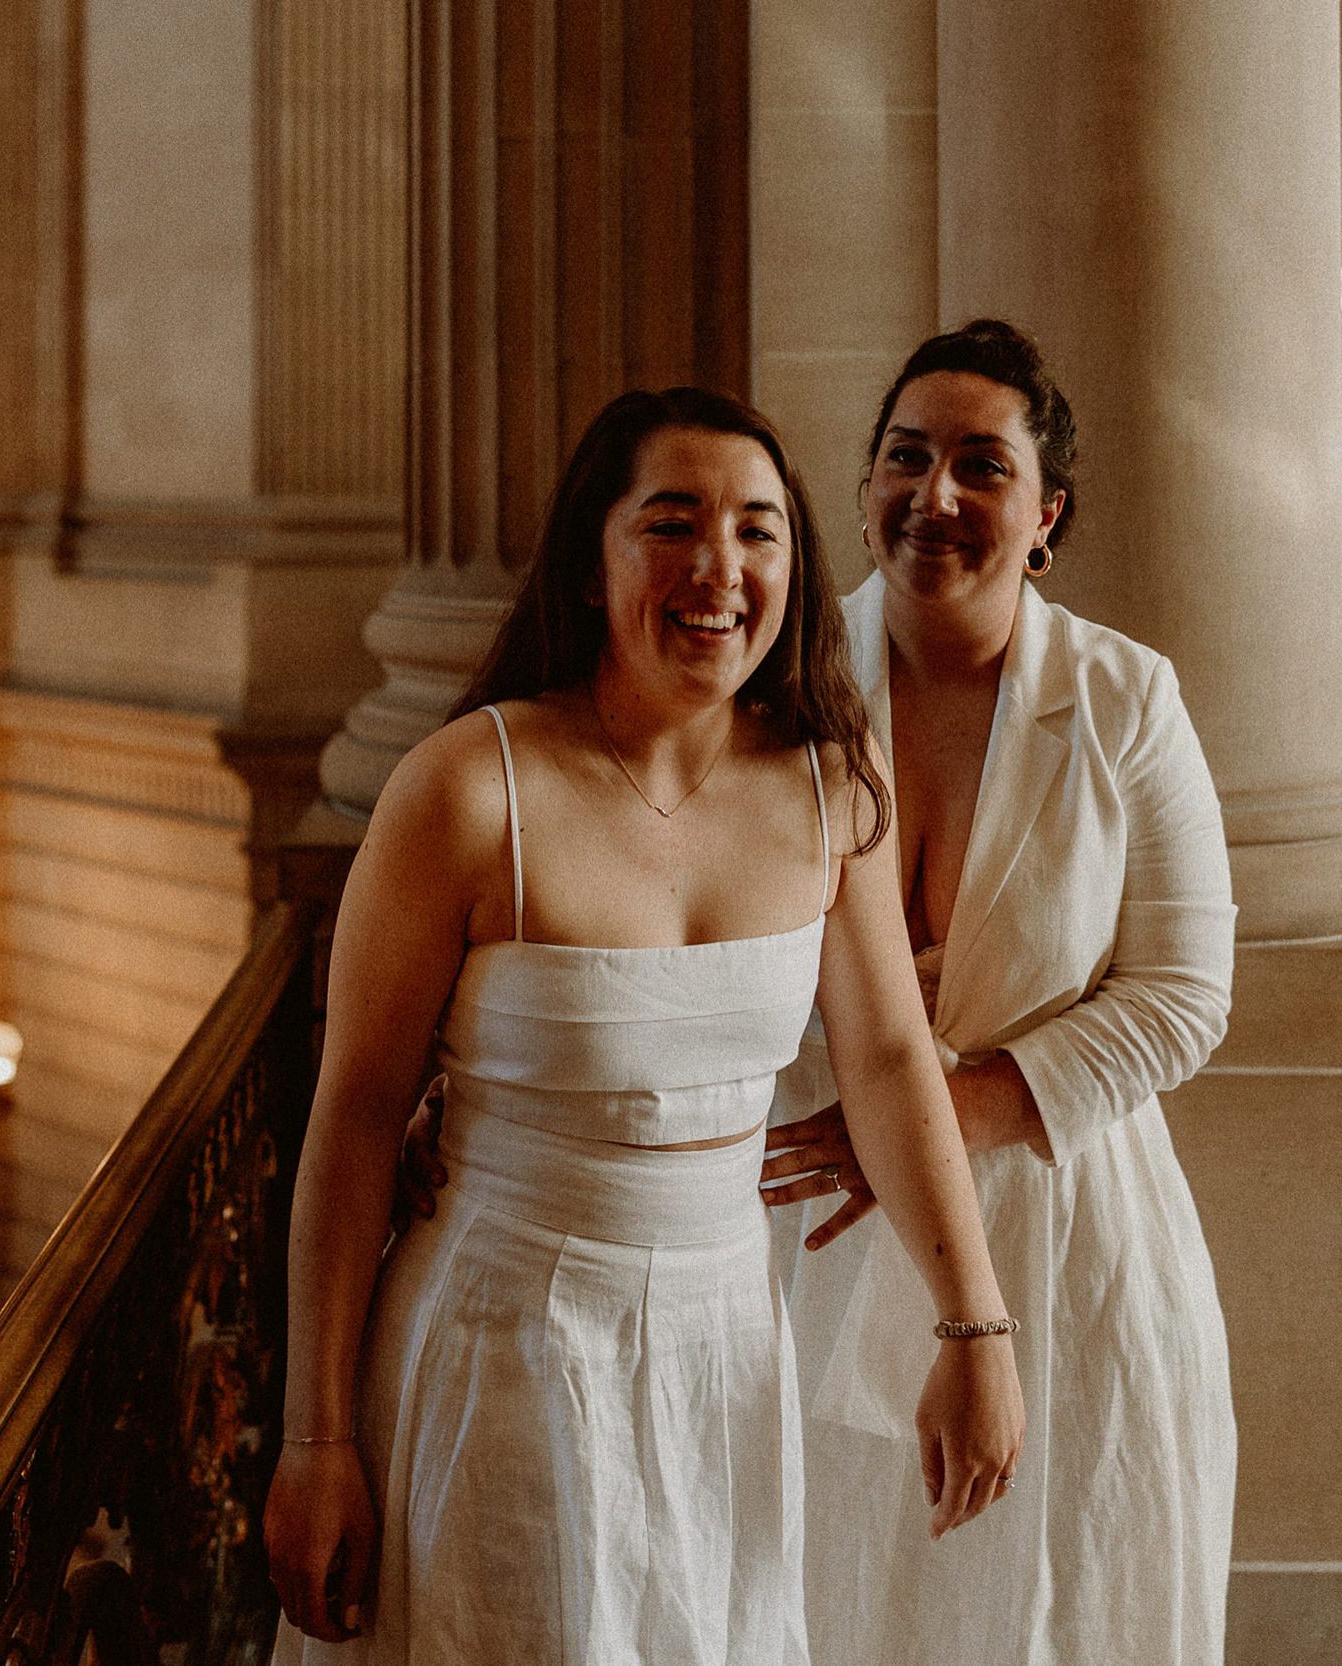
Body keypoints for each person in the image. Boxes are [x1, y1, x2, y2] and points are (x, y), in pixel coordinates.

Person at [264, 387, 1025, 1665]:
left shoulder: (833, 782)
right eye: (670, 524)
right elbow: (350, 1121)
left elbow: (892, 1060)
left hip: (726, 1354)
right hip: (497, 1350)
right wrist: (314, 1437)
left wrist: (975, 1325)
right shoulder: (465, 790)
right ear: (590, 555)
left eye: (758, 530)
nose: (717, 568)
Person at [757, 320, 1237, 1665]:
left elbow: (1187, 991)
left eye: (982, 466)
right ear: (864, 486)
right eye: (906, 458)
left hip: (1064, 1227)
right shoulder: (777, 690)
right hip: (806, 1232)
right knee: (819, 1593)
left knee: (1056, 1607)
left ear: (1044, 515)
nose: (937, 496)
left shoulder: (1124, 697)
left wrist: (934, 1117)